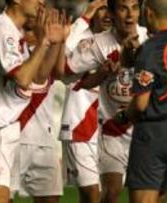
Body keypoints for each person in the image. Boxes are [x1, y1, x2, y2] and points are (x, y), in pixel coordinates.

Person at [0, 0, 66, 202]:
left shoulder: (14, 32)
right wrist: (44, 42)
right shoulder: (1, 29)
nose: (42, 1)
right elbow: (22, 78)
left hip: (7, 127)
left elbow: (39, 77)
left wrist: (52, 42)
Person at [61, 0, 148, 202]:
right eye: (123, 8)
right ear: (112, 12)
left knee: (146, 198)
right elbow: (65, 73)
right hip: (112, 130)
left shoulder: (149, 38)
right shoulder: (97, 43)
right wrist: (101, 74)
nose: (130, 15)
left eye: (135, 8)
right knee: (110, 194)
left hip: (145, 129)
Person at [115, 0, 167, 202]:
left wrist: (123, 116)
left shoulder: (152, 49)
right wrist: (138, 56)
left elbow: (140, 104)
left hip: (153, 133)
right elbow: (165, 71)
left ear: (148, 13)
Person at [59, 1, 110, 203]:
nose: (107, 14)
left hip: (109, 129)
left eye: (110, 8)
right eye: (101, 7)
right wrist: (84, 17)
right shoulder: (79, 35)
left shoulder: (119, 40)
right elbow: (61, 61)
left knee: (104, 194)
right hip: (80, 123)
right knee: (92, 195)